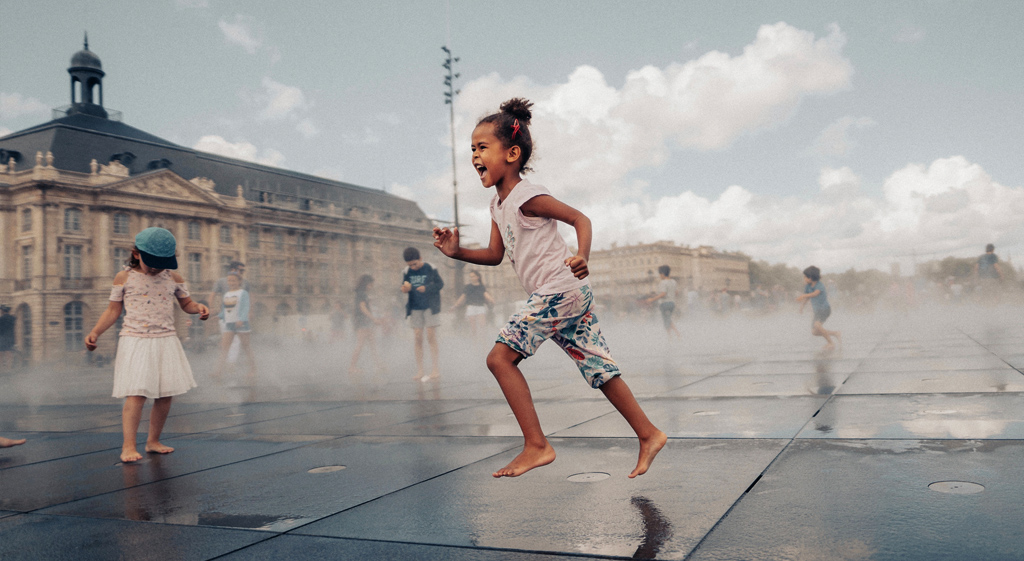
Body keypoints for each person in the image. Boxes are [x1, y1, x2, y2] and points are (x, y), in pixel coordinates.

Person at [433, 98, 666, 479]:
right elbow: (494, 254)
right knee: (600, 368)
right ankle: (649, 433)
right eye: (471, 149)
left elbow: (580, 218)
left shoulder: (528, 195)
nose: (474, 155)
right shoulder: (498, 204)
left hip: (560, 290)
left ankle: (537, 445)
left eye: (482, 147)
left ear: (511, 153)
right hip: (564, 295)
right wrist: (455, 252)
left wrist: (583, 255)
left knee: (499, 359)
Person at [85, 227, 209, 463]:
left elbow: (187, 304)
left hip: (166, 340)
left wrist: (199, 308)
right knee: (137, 394)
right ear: (136, 254)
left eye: (161, 264)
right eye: (151, 263)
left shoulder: (174, 278)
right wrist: (95, 332)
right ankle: (128, 445)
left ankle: (153, 440)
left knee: (165, 394)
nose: (155, 269)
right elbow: (113, 311)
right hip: (136, 340)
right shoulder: (124, 278)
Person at [401, 247, 444, 381]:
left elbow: (440, 284)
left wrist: (427, 288)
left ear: (420, 259)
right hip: (415, 306)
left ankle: (435, 369)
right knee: (418, 337)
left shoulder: (430, 267)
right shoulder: (406, 271)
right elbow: (404, 286)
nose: (413, 267)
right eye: (410, 265)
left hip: (430, 306)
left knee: (431, 336)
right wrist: (404, 288)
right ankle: (420, 370)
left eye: (414, 264)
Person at [213, 272, 257, 384]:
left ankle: (253, 370)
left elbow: (245, 306)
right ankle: (218, 371)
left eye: (233, 280)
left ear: (239, 282)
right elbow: (224, 309)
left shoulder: (243, 293)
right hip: (229, 323)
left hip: (241, 323)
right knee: (224, 348)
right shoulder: (226, 294)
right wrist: (218, 316)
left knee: (246, 347)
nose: (231, 283)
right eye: (229, 280)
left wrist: (241, 319)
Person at [796, 265, 840, 350]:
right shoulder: (808, 286)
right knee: (814, 332)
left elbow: (815, 294)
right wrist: (802, 306)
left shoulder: (820, 285)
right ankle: (835, 333)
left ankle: (831, 343)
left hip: (825, 309)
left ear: (811, 277)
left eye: (805, 277)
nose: (804, 278)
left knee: (817, 325)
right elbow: (807, 297)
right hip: (817, 311)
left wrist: (803, 295)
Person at [349, 274, 383, 375]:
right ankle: (352, 367)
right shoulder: (362, 294)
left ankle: (378, 364)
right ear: (367, 284)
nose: (371, 287)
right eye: (371, 284)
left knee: (372, 343)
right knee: (360, 344)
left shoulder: (360, 293)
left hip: (363, 321)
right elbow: (362, 308)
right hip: (363, 321)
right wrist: (374, 319)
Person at [450, 270, 496, 337]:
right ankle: (475, 344)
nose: (471, 278)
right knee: (473, 328)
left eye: (473, 276)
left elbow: (486, 294)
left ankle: (484, 344)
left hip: (480, 307)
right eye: (470, 277)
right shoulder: (468, 287)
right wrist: (455, 306)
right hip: (471, 307)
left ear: (478, 277)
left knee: (482, 326)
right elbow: (462, 297)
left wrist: (492, 300)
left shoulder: (481, 287)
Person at [644, 265, 681, 337]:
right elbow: (676, 293)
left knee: (666, 320)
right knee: (668, 319)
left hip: (664, 304)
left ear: (662, 274)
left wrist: (652, 299)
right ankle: (672, 335)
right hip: (672, 303)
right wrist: (671, 296)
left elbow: (663, 294)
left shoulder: (663, 282)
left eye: (659, 274)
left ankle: (675, 335)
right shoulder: (673, 281)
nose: (659, 276)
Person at [0, 305, 15, 371]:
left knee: (1, 353)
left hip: (2, 337)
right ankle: (9, 367)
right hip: (11, 337)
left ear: (2, 311)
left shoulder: (1, 319)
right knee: (9, 352)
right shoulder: (12, 318)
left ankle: (1, 368)